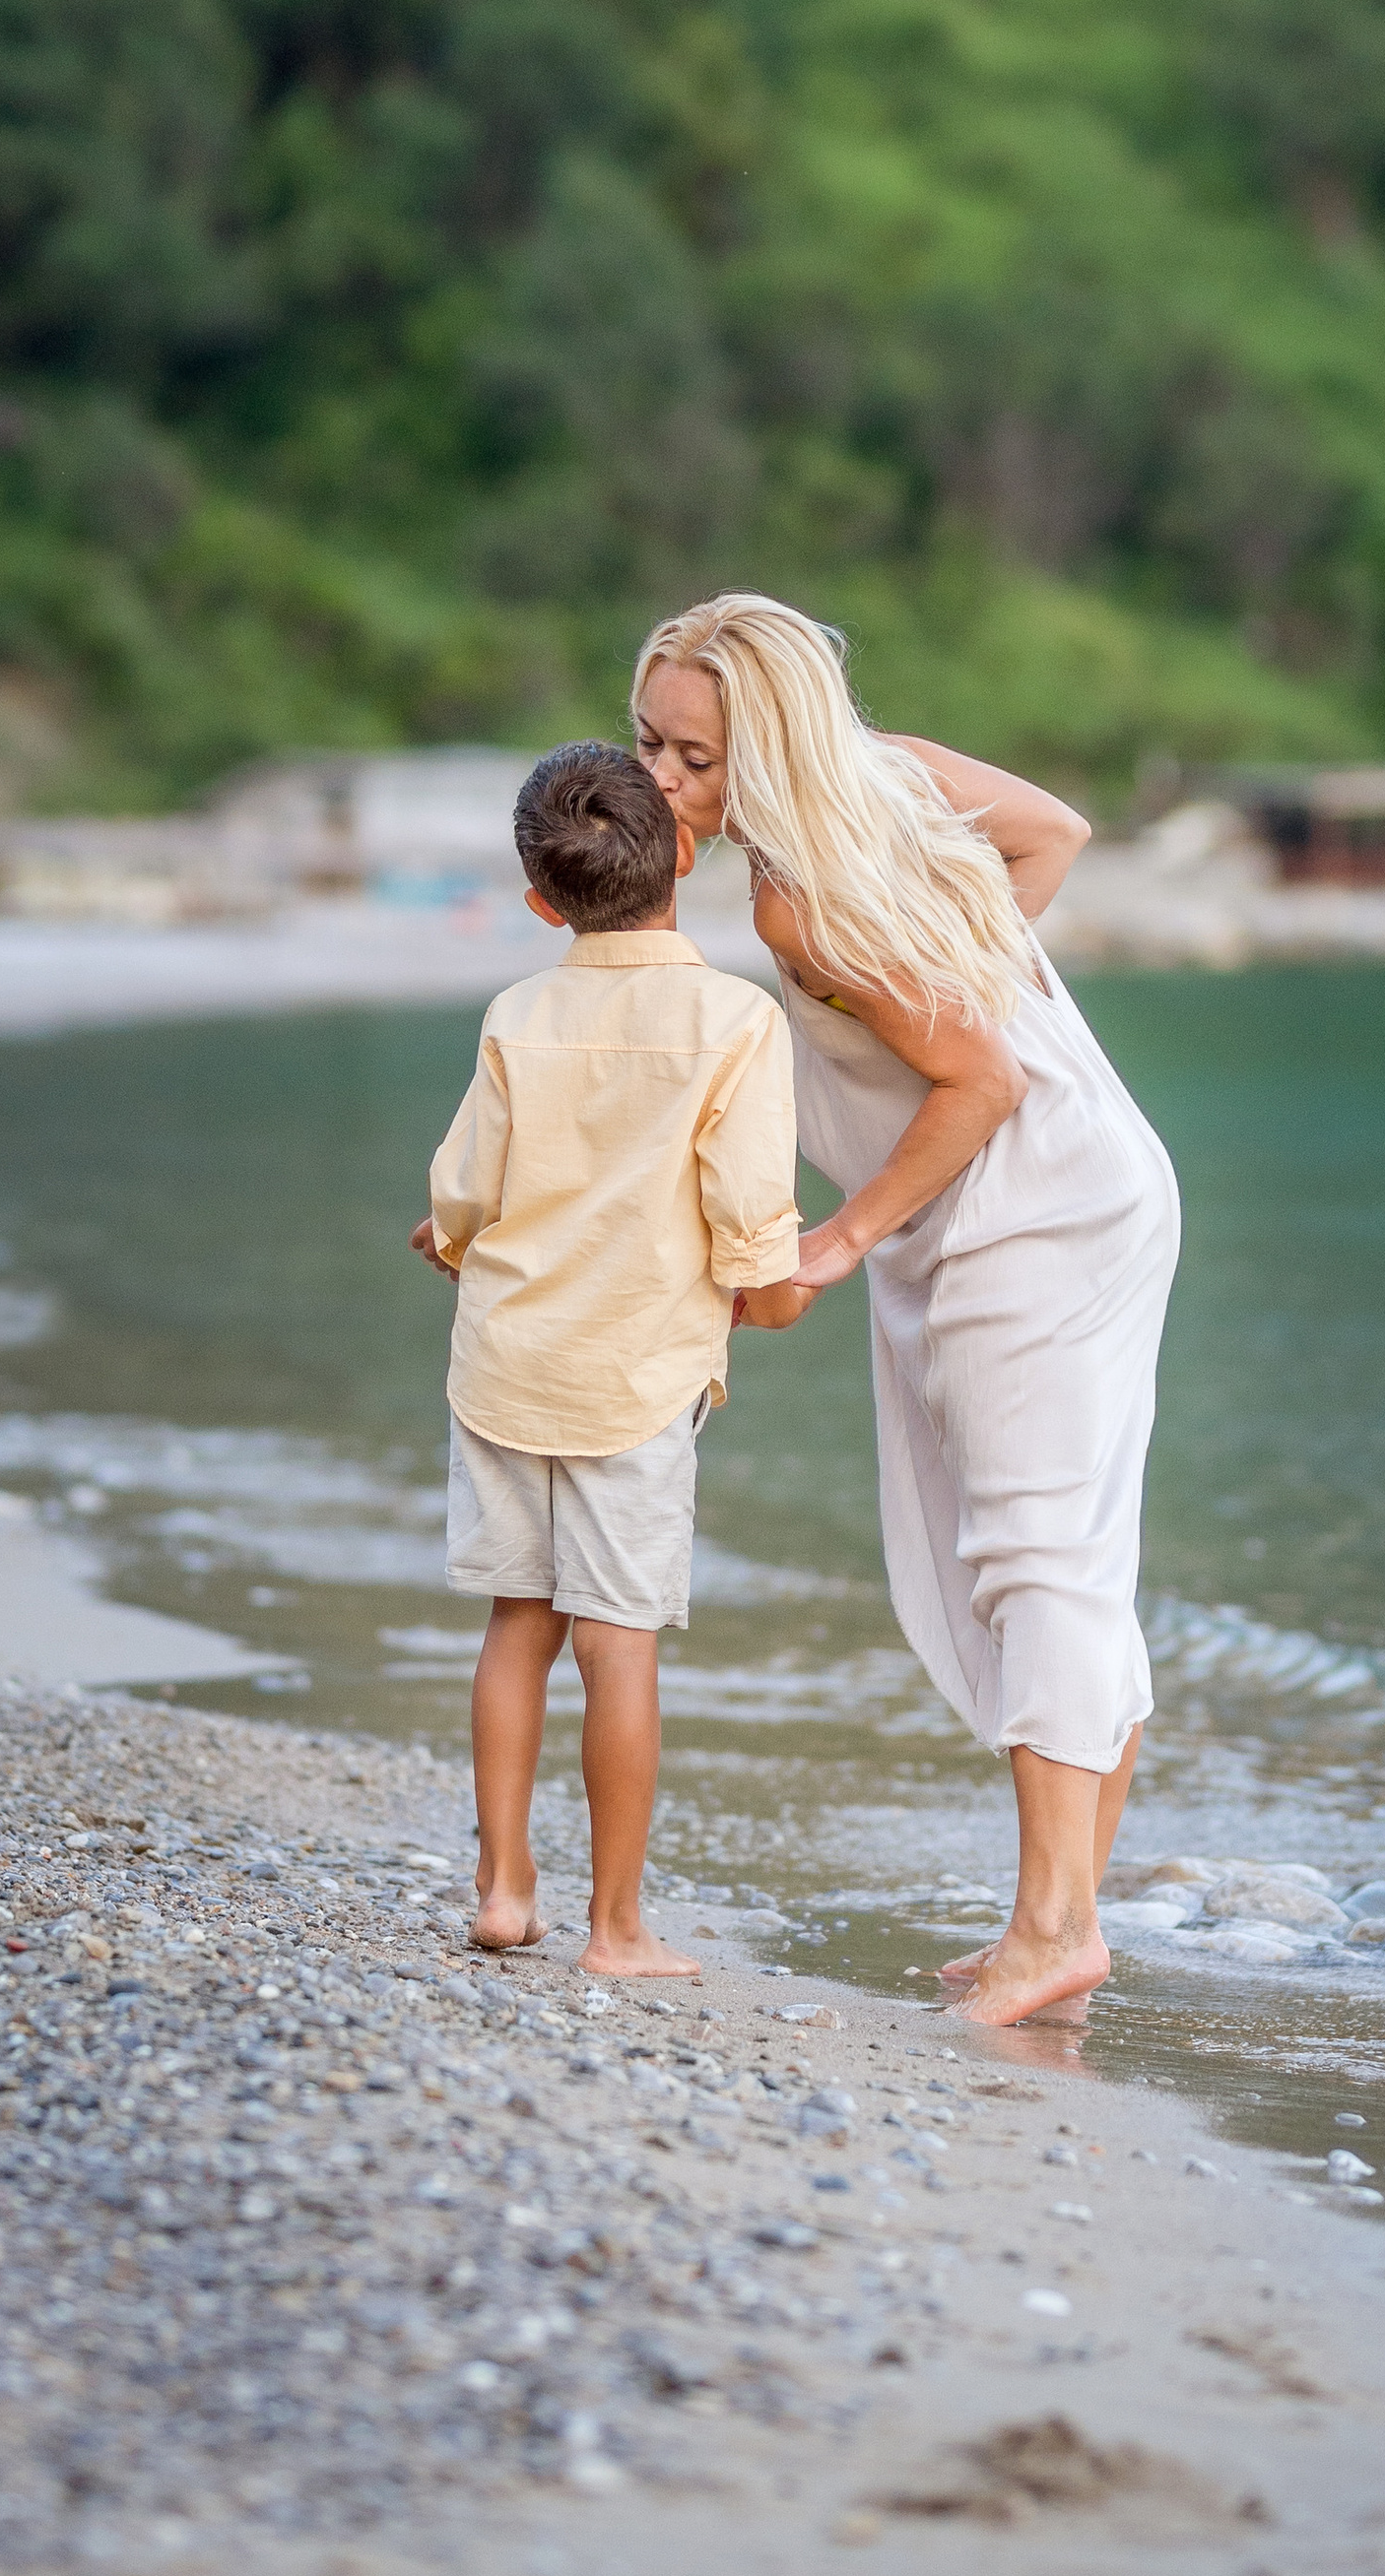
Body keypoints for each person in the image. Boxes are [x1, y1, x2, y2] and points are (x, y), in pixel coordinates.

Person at [631, 596, 1179, 2029]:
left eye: (697, 757)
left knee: (1034, 1557)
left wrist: (834, 1241)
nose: (665, 784)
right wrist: (970, 970)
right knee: (1065, 1551)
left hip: (1027, 1203)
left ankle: (1055, 1928)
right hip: (1098, 1175)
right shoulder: (901, 780)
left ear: (772, 741)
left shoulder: (796, 897)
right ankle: (1060, 1921)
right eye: (652, 747)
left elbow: (980, 1081)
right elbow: (1054, 834)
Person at [412, 741, 808, 1979]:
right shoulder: (736, 1020)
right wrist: (772, 1297)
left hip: (505, 1368)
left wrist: (452, 1240)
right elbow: (751, 1229)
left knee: (514, 1625)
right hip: (633, 1384)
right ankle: (617, 1928)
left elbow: (462, 1196)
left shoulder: (517, 1012)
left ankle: (501, 1886)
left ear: (541, 900)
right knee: (616, 1643)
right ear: (685, 853)